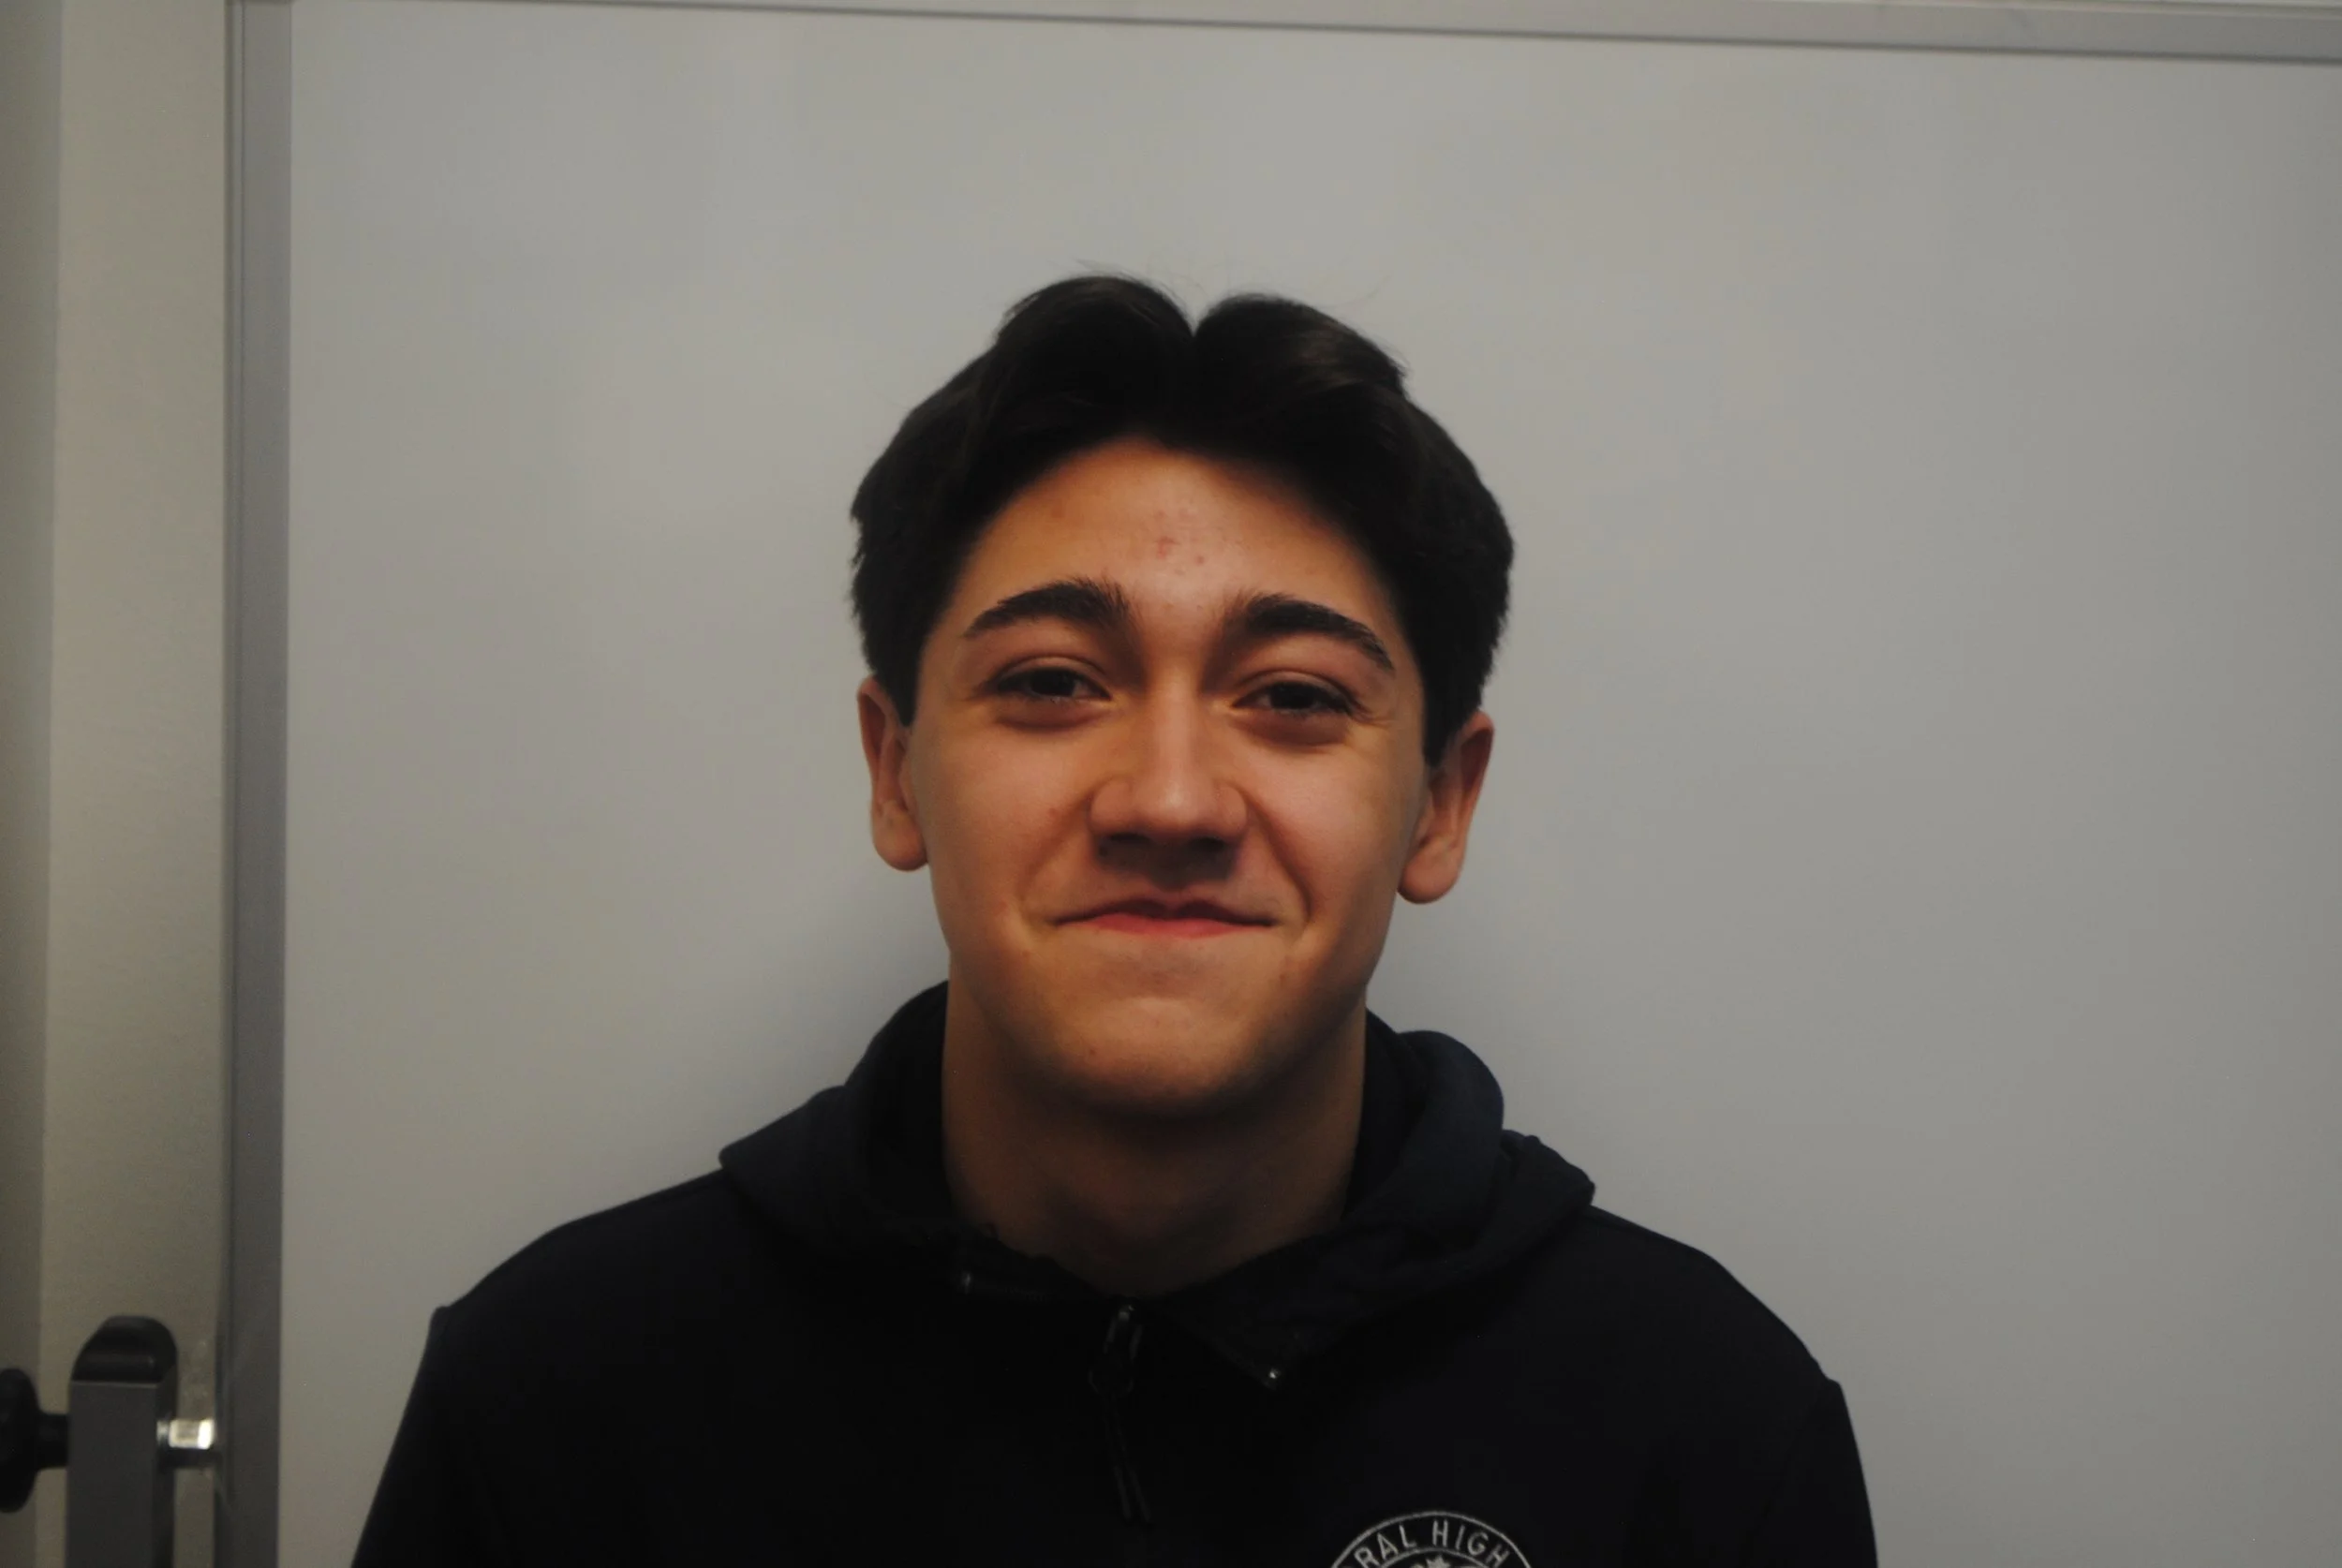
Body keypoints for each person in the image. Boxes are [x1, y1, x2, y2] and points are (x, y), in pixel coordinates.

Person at [353, 276, 1875, 1567]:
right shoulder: (557, 1397)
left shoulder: (1706, 1428)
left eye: (1291, 697)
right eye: (1051, 683)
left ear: (1438, 805)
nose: (1169, 798)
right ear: (896, 774)